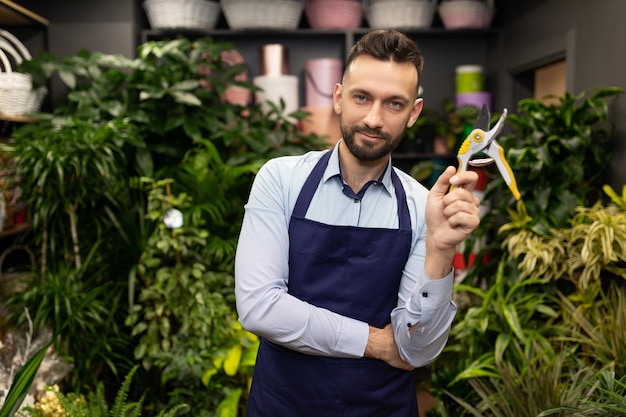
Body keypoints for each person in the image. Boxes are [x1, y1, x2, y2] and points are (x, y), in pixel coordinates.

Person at [234, 29, 481, 417]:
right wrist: (375, 342)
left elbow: (416, 349)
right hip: (283, 405)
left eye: (394, 104)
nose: (373, 118)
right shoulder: (281, 180)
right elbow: (259, 307)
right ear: (337, 97)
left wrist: (441, 248)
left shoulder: (422, 207)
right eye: (361, 97)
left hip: (382, 407)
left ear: (413, 113)